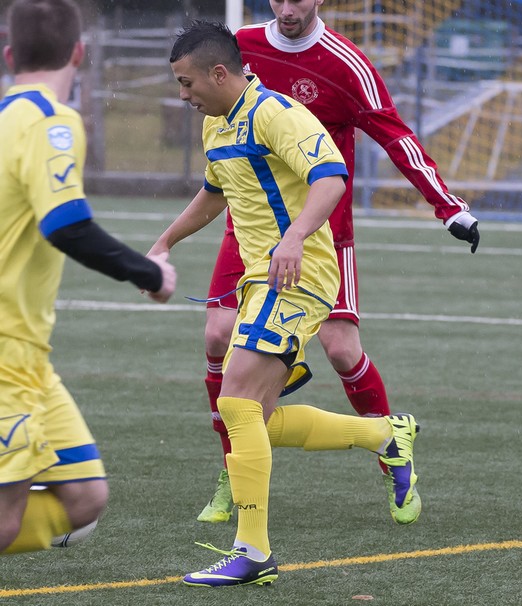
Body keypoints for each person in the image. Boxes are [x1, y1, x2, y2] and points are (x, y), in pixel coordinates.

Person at [150, 19, 420, 588]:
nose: (183, 95)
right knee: (257, 420)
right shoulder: (217, 125)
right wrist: (165, 241)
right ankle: (384, 435)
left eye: (186, 82)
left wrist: (294, 237)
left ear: (218, 73)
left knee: (237, 402)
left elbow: (331, 177)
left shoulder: (277, 113)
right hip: (259, 279)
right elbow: (214, 194)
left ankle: (253, 552)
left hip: (298, 276)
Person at [196, 0, 480, 525]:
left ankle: (391, 453)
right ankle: (232, 471)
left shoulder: (347, 65)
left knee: (342, 348)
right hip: (249, 230)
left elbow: (396, 134)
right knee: (216, 338)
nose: (286, 7)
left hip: (321, 234)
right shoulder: (240, 50)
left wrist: (447, 207)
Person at [0, 0, 177, 555]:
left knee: (84, 497)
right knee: (6, 520)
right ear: (80, 52)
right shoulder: (52, 122)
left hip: (29, 356)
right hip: (5, 355)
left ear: (9, 56)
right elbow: (67, 225)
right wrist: (150, 272)